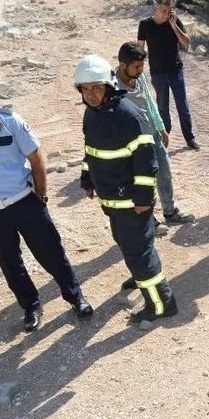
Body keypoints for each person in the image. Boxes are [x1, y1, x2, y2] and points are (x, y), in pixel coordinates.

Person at [0, 79, 92, 332]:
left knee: (52, 253)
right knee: (10, 263)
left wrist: (42, 195)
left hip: (24, 202)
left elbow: (35, 156)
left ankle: (75, 297)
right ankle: (31, 306)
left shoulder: (8, 121)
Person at [75, 54, 177, 322]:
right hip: (113, 201)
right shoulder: (93, 113)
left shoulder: (127, 115)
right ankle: (141, 275)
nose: (91, 94)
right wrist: (87, 178)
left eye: (96, 87)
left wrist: (143, 199)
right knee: (128, 244)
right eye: (85, 89)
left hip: (133, 202)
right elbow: (92, 151)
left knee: (138, 252)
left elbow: (147, 161)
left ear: (108, 85)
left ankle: (161, 304)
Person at [115, 41, 195, 239]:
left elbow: (149, 103)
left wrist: (160, 128)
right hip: (133, 142)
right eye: (137, 66)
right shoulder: (112, 85)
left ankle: (170, 211)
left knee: (164, 172)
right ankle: (149, 219)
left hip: (151, 134)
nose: (141, 70)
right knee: (143, 181)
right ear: (123, 65)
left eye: (143, 66)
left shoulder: (139, 77)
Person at [137, 0, 200, 150]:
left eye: (169, 11)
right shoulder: (145, 24)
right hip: (158, 73)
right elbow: (140, 48)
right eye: (163, 10)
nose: (166, 14)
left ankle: (190, 138)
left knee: (183, 107)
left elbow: (186, 43)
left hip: (175, 70)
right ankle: (164, 138)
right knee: (162, 107)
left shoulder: (174, 22)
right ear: (156, 7)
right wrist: (139, 70)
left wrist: (174, 26)